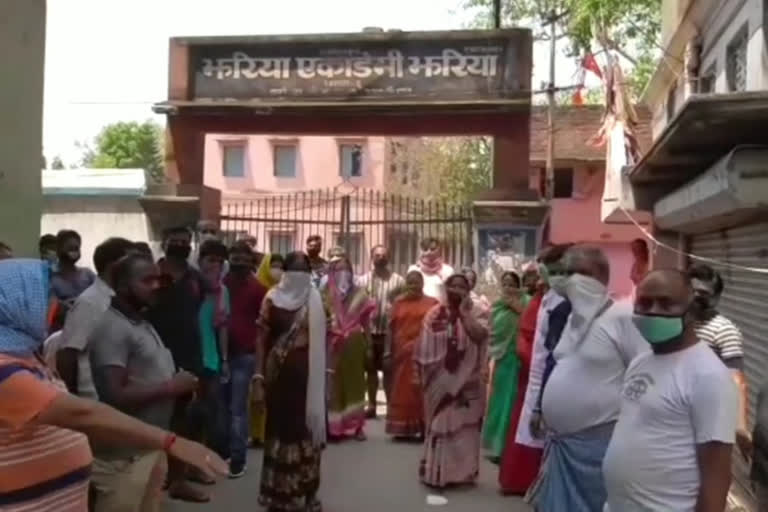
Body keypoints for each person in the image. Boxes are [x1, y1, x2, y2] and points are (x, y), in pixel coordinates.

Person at [0, 258, 227, 512]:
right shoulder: (3, 367)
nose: (56, 304)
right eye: (46, 296)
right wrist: (173, 440)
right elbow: (86, 411)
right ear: (16, 302)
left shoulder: (28, 355)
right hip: (118, 461)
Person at [87, 254, 214, 512]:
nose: (157, 285)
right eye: (147, 280)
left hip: (150, 446)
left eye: (158, 279)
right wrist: (171, 387)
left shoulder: (141, 321)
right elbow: (114, 394)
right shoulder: (112, 327)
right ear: (122, 285)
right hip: (123, 457)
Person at [603, 269, 736, 511]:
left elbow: (717, 475)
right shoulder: (641, 362)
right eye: (644, 303)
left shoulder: (709, 375)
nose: (653, 310)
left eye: (666, 304)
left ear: (691, 311)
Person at [526, 246, 648, 512]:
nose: (568, 279)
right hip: (560, 444)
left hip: (598, 447)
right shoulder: (572, 319)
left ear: (599, 276)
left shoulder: (624, 317)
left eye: (577, 272)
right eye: (566, 272)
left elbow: (645, 378)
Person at [254, 252, 327, 512]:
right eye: (293, 271)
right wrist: (259, 376)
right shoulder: (272, 298)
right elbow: (261, 339)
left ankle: (307, 494)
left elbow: (324, 340)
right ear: (284, 272)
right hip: (279, 378)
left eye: (303, 272)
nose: (299, 278)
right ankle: (279, 494)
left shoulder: (316, 299)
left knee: (306, 431)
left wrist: (326, 374)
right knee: (281, 431)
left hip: (308, 380)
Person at [499, 245, 569, 494]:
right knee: (530, 425)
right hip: (531, 371)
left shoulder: (562, 302)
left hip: (550, 376)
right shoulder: (546, 298)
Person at [146, 226, 209, 502]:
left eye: (186, 242)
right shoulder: (152, 275)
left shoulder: (196, 278)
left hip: (189, 354)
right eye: (176, 241)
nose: (182, 245)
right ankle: (162, 478)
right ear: (165, 243)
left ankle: (182, 474)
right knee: (158, 418)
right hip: (156, 354)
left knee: (188, 418)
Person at [415, 273, 489, 488]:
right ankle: (437, 472)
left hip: (469, 380)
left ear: (468, 291)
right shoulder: (435, 314)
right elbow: (424, 346)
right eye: (453, 286)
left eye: (462, 287)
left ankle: (462, 474)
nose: (457, 290)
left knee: (465, 425)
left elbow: (480, 335)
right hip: (440, 379)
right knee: (441, 422)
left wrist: (464, 315)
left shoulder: (479, 310)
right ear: (446, 289)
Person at [57, 237, 135, 397]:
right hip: (94, 396)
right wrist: (74, 397)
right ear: (113, 265)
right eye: (130, 263)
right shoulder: (91, 302)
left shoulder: (124, 297)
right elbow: (68, 353)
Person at [687, 263, 750, 452]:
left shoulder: (724, 330)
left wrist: (740, 427)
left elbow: (736, 378)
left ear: (716, 298)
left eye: (703, 294)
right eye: (692, 291)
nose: (696, 298)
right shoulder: (678, 323)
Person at [222, 241, 268, 477]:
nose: (239, 262)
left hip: (245, 356)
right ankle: (221, 454)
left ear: (252, 261)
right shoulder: (221, 284)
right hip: (220, 355)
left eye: (244, 258)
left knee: (237, 409)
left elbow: (263, 328)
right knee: (220, 408)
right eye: (235, 257)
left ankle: (238, 458)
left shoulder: (259, 289)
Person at [325, 257, 375, 441]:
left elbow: (366, 323)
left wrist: (369, 345)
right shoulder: (325, 293)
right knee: (333, 384)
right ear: (332, 271)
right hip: (331, 342)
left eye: (347, 268)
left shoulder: (360, 293)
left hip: (354, 342)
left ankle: (357, 426)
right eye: (338, 269)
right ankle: (335, 426)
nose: (343, 272)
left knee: (355, 383)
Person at [384, 270, 438, 438]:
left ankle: (423, 427)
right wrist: (387, 351)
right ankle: (401, 429)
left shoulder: (432, 303)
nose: (414, 285)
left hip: (424, 353)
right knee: (402, 389)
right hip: (401, 354)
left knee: (421, 389)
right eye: (410, 282)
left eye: (417, 282)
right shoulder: (398, 303)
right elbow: (390, 329)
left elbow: (438, 328)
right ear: (405, 284)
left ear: (423, 284)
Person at [482, 271, 529, 462]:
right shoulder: (497, 307)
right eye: (505, 284)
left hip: (518, 360)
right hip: (501, 361)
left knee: (511, 405)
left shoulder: (527, 302)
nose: (508, 288)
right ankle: (495, 447)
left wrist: (517, 308)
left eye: (512, 284)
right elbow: (490, 335)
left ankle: (507, 449)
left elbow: (531, 324)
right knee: (497, 405)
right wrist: (486, 363)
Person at [356, 245, 405, 418]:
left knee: (389, 370)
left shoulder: (398, 281)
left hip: (389, 332)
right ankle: (372, 404)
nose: (380, 258)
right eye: (377, 255)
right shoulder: (362, 281)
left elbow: (403, 305)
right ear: (371, 257)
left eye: (384, 255)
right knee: (369, 369)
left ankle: (392, 405)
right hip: (368, 331)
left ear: (389, 258)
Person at [196, 240, 230, 463]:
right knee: (192, 412)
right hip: (189, 358)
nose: (215, 265)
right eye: (210, 260)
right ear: (200, 261)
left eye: (219, 260)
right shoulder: (191, 286)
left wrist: (224, 359)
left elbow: (223, 327)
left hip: (212, 359)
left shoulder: (222, 291)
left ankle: (210, 458)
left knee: (212, 410)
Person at [251, 251, 281, 446]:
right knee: (257, 389)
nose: (277, 270)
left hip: (278, 345)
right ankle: (256, 433)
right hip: (259, 343)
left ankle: (271, 430)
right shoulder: (257, 288)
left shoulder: (284, 291)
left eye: (280, 266)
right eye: (273, 265)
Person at [50, 230, 96, 329]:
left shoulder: (87, 274)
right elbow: (52, 306)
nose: (74, 252)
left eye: (77, 248)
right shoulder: (50, 277)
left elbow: (101, 295)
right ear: (58, 250)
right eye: (70, 248)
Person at [408, 238, 454, 304]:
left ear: (439, 251)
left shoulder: (447, 270)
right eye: (425, 249)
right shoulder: (413, 269)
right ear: (420, 251)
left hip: (440, 310)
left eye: (432, 249)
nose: (429, 252)